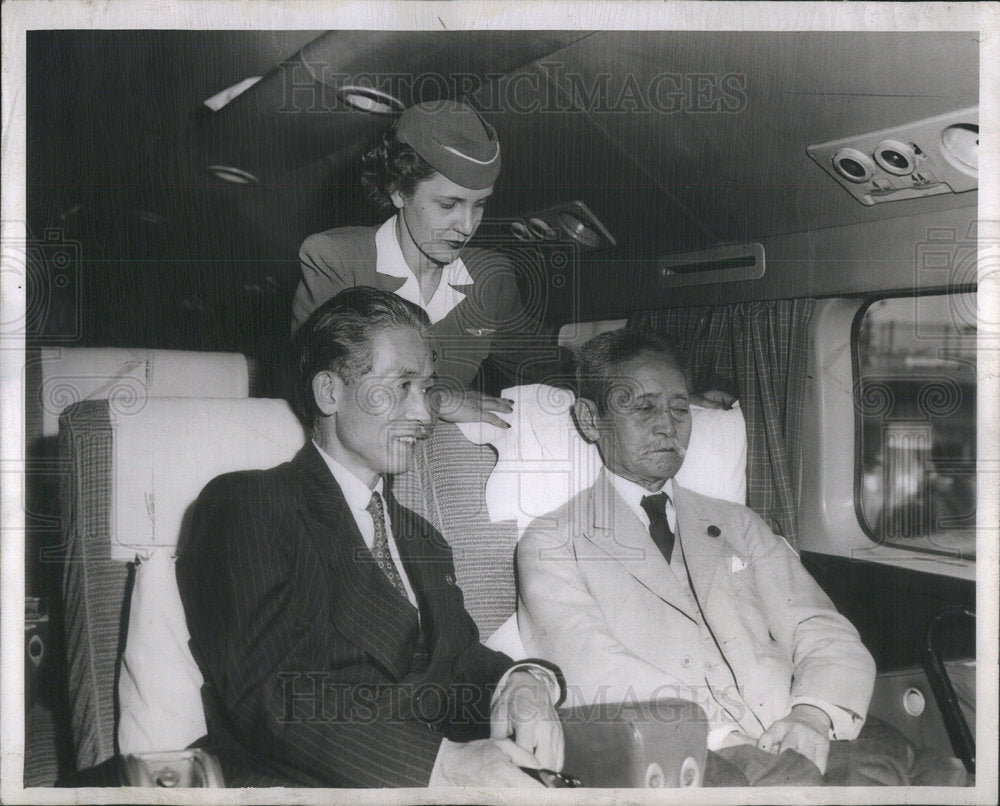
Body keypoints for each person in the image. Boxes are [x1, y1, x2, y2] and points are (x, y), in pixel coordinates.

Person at [177, 287, 565, 788]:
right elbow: (269, 695)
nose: (424, 415)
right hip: (310, 781)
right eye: (400, 386)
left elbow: (460, 661)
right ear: (329, 393)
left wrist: (523, 683)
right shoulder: (249, 503)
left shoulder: (422, 538)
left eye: (426, 389)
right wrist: (442, 765)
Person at [516, 328, 888, 785]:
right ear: (590, 420)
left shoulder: (739, 524)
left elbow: (818, 626)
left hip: (797, 729)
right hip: (684, 752)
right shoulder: (553, 541)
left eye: (678, 409)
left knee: (924, 769)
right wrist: (722, 737)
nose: (667, 427)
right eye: (642, 407)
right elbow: (589, 664)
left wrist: (812, 713)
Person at [292, 100, 551, 427]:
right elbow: (316, 384)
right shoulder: (337, 260)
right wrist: (434, 398)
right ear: (398, 191)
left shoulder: (491, 279)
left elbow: (540, 366)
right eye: (448, 205)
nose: (467, 226)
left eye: (480, 205)